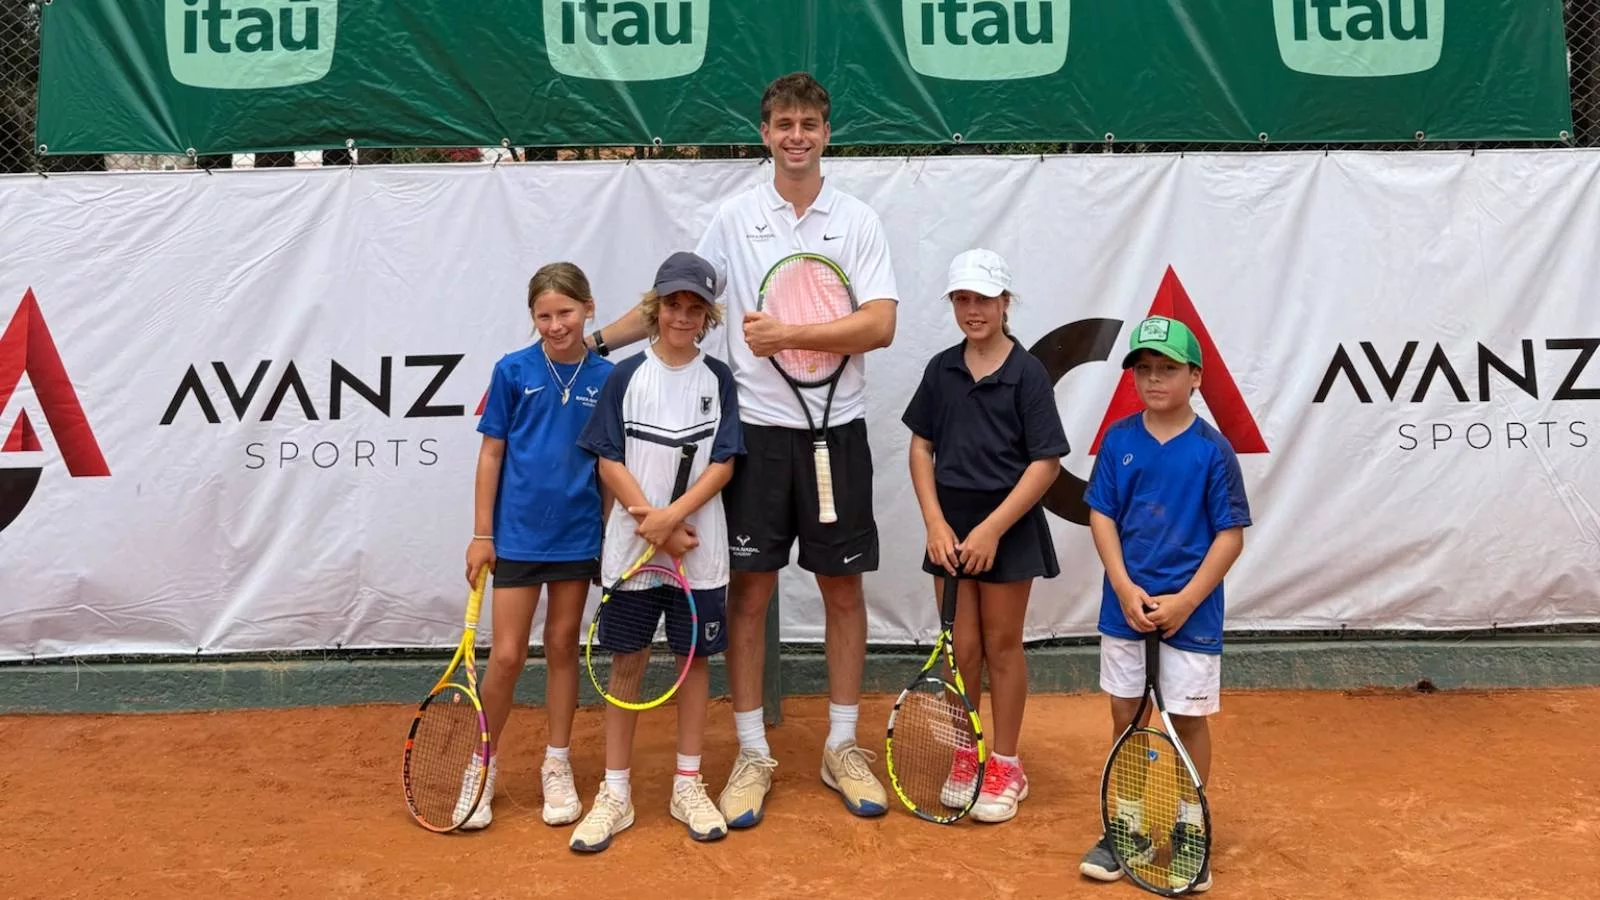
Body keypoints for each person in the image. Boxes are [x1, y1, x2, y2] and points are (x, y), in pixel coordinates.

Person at [584, 72, 901, 825]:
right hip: (755, 434)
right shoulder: (735, 217)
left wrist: (789, 334)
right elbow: (675, 302)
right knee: (750, 595)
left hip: (838, 431)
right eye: (784, 124)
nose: (797, 136)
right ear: (765, 134)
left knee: (843, 592)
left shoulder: (857, 221)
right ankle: (754, 752)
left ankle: (841, 746)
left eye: (809, 124)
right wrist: (592, 344)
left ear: (827, 133)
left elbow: (881, 325)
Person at [570, 251, 744, 852]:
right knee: (628, 664)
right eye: (673, 304)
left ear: (707, 317)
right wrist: (656, 525)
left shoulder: (718, 379)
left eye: (695, 308)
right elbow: (608, 460)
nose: (682, 317)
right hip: (634, 550)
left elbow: (724, 463)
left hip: (698, 550)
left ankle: (687, 784)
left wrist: (672, 520)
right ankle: (615, 792)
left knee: (693, 664)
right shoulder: (624, 376)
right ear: (655, 308)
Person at [1077, 316, 1251, 892]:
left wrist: (1185, 601)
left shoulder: (1213, 451)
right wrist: (1124, 587)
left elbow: (1230, 536)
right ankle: (1127, 827)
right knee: (1127, 715)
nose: (1154, 379)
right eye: (1144, 369)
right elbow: (1102, 516)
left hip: (1190, 616)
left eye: (1168, 368)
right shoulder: (1119, 441)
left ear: (1195, 377)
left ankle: (1188, 831)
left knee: (1186, 722)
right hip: (1124, 609)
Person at [900, 249, 1068, 823]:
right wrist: (935, 522)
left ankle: (1006, 764)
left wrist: (993, 528)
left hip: (1008, 528)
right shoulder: (940, 369)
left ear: (1004, 302)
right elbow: (921, 447)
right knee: (961, 649)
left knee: (1001, 646)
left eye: (984, 299)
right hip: (949, 530)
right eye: (963, 299)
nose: (973, 310)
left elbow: (1046, 463)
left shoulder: (1028, 373)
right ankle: (964, 754)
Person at [460, 262, 615, 830]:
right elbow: (491, 455)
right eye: (544, 315)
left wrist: (605, 536)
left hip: (577, 535)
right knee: (505, 656)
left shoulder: (608, 378)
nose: (556, 325)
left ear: (588, 309)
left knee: (561, 645)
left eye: (565, 312)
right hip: (518, 537)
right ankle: (482, 763)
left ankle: (557, 762)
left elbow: (608, 467)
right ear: (532, 317)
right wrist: (483, 534)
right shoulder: (512, 370)